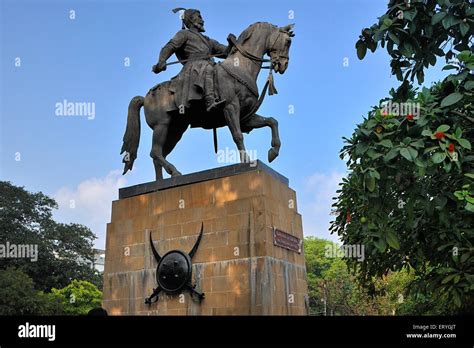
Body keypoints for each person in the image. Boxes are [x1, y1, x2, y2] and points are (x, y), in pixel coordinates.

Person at [153, 8, 230, 112]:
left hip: (208, 64)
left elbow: (225, 51)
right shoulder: (184, 34)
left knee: (223, 71)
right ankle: (210, 101)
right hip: (194, 67)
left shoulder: (208, 40)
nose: (202, 20)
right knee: (208, 69)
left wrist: (233, 44)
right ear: (190, 19)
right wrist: (162, 60)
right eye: (199, 17)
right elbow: (170, 46)